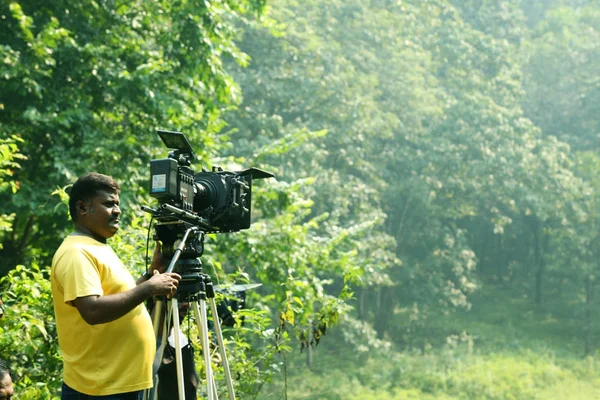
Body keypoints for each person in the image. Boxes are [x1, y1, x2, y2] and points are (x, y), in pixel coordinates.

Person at [50, 172, 181, 399]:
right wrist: (149, 288)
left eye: (117, 204)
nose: (117, 211)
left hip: (122, 384)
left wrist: (149, 275)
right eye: (109, 204)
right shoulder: (76, 253)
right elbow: (92, 309)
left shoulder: (98, 247)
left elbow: (120, 295)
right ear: (82, 208)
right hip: (99, 389)